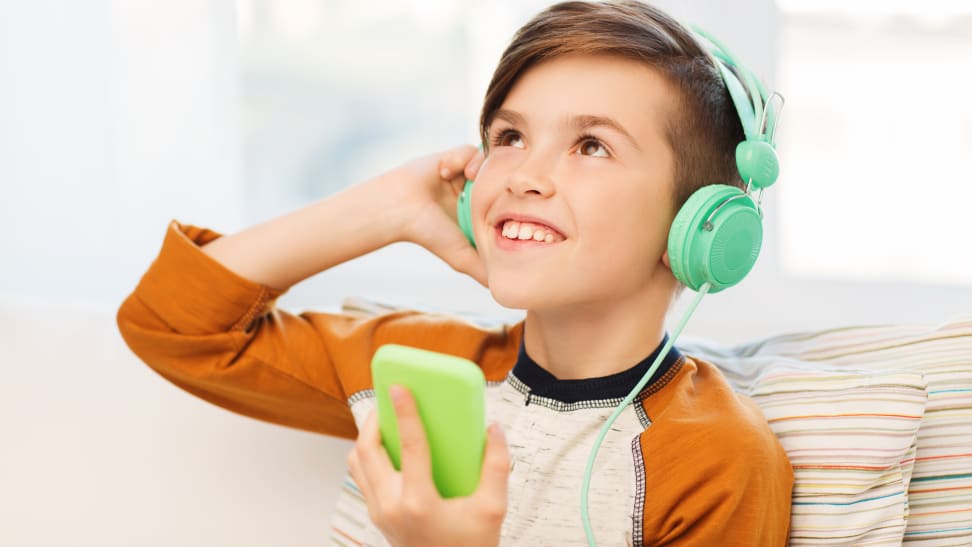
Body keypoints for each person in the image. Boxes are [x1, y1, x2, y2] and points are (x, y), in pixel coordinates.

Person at [117, 1, 793, 544]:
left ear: (700, 226)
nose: (525, 174)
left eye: (592, 145)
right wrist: (391, 206)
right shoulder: (407, 365)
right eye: (509, 137)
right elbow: (169, 325)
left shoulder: (717, 460)